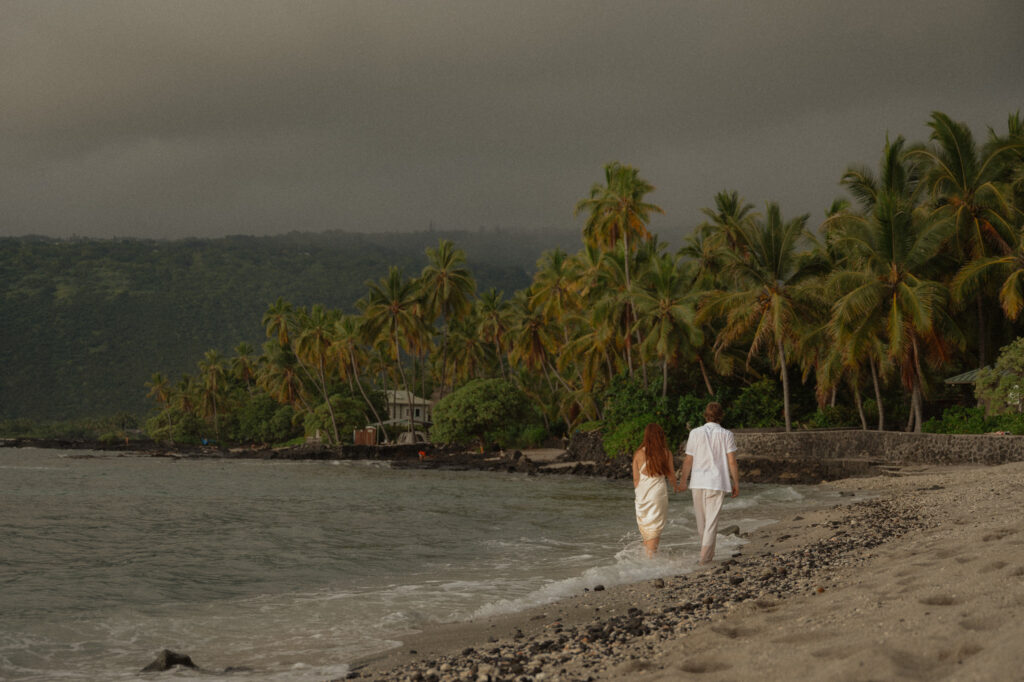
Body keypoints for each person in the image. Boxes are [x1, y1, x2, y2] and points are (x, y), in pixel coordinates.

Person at [677, 402, 740, 564]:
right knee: (711, 522)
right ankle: (704, 557)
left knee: (701, 523)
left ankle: (707, 555)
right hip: (717, 481)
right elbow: (732, 461)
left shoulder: (695, 433)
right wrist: (736, 483)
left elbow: (688, 460)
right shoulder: (727, 434)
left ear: (706, 415)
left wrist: (683, 481)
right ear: (721, 415)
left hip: (698, 481)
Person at [632, 422, 678, 558]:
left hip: (642, 494)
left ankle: (647, 559)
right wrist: (676, 487)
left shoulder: (638, 454)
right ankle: (651, 561)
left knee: (646, 527)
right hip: (658, 493)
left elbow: (636, 479)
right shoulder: (666, 453)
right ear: (660, 436)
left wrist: (640, 493)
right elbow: (671, 476)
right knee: (655, 526)